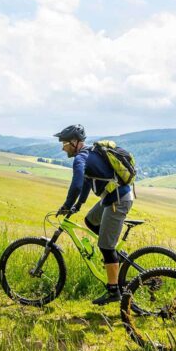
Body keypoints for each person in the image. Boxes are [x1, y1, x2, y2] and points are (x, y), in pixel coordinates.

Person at [54, 124, 134, 305]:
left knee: (105, 246)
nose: (63, 147)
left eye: (65, 143)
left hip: (118, 200)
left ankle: (113, 291)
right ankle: (114, 253)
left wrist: (67, 205)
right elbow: (87, 183)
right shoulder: (90, 154)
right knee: (90, 221)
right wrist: (79, 205)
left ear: (74, 142)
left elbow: (76, 184)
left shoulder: (81, 158)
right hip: (111, 198)